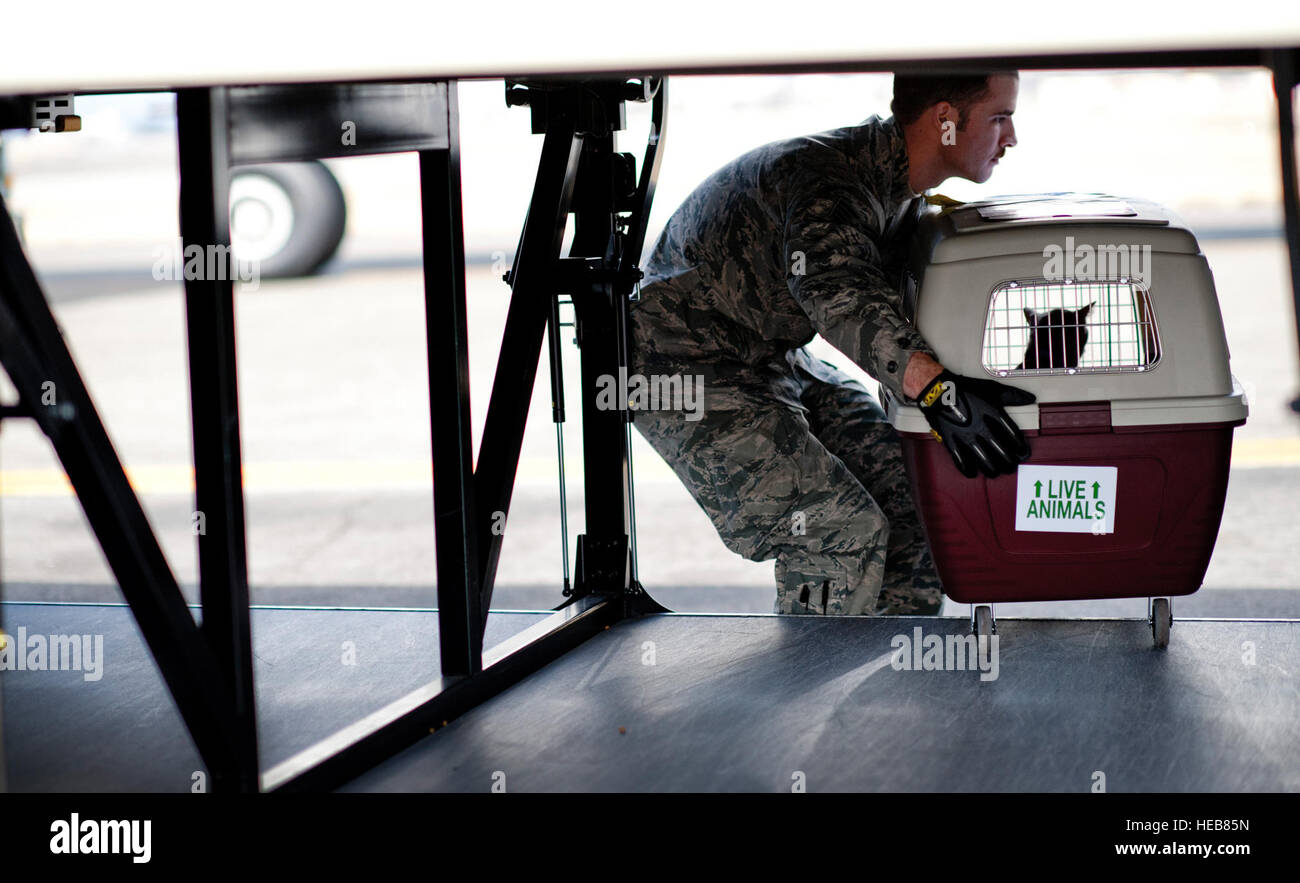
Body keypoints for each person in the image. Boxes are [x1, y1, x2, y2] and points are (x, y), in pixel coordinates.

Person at [627, 71, 1037, 616]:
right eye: (1000, 117)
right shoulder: (832, 182)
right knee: (832, 527)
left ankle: (891, 680)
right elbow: (837, 294)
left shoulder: (899, 193)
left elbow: (910, 309)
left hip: (767, 355)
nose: (1012, 138)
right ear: (945, 121)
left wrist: (1034, 355)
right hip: (682, 366)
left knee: (913, 495)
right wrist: (938, 395)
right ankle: (806, 691)